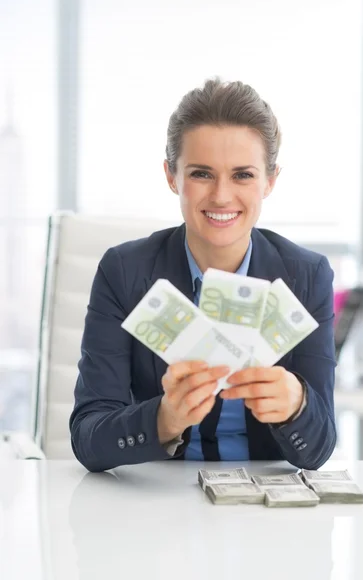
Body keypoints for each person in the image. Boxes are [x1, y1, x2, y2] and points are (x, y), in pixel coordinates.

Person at [69, 78, 336, 473]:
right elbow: (87, 438)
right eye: (201, 174)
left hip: (264, 510)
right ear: (171, 176)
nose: (222, 196)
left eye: (243, 174)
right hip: (154, 504)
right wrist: (164, 419)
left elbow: (318, 450)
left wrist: (297, 406)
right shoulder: (124, 272)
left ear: (270, 181)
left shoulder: (307, 276)